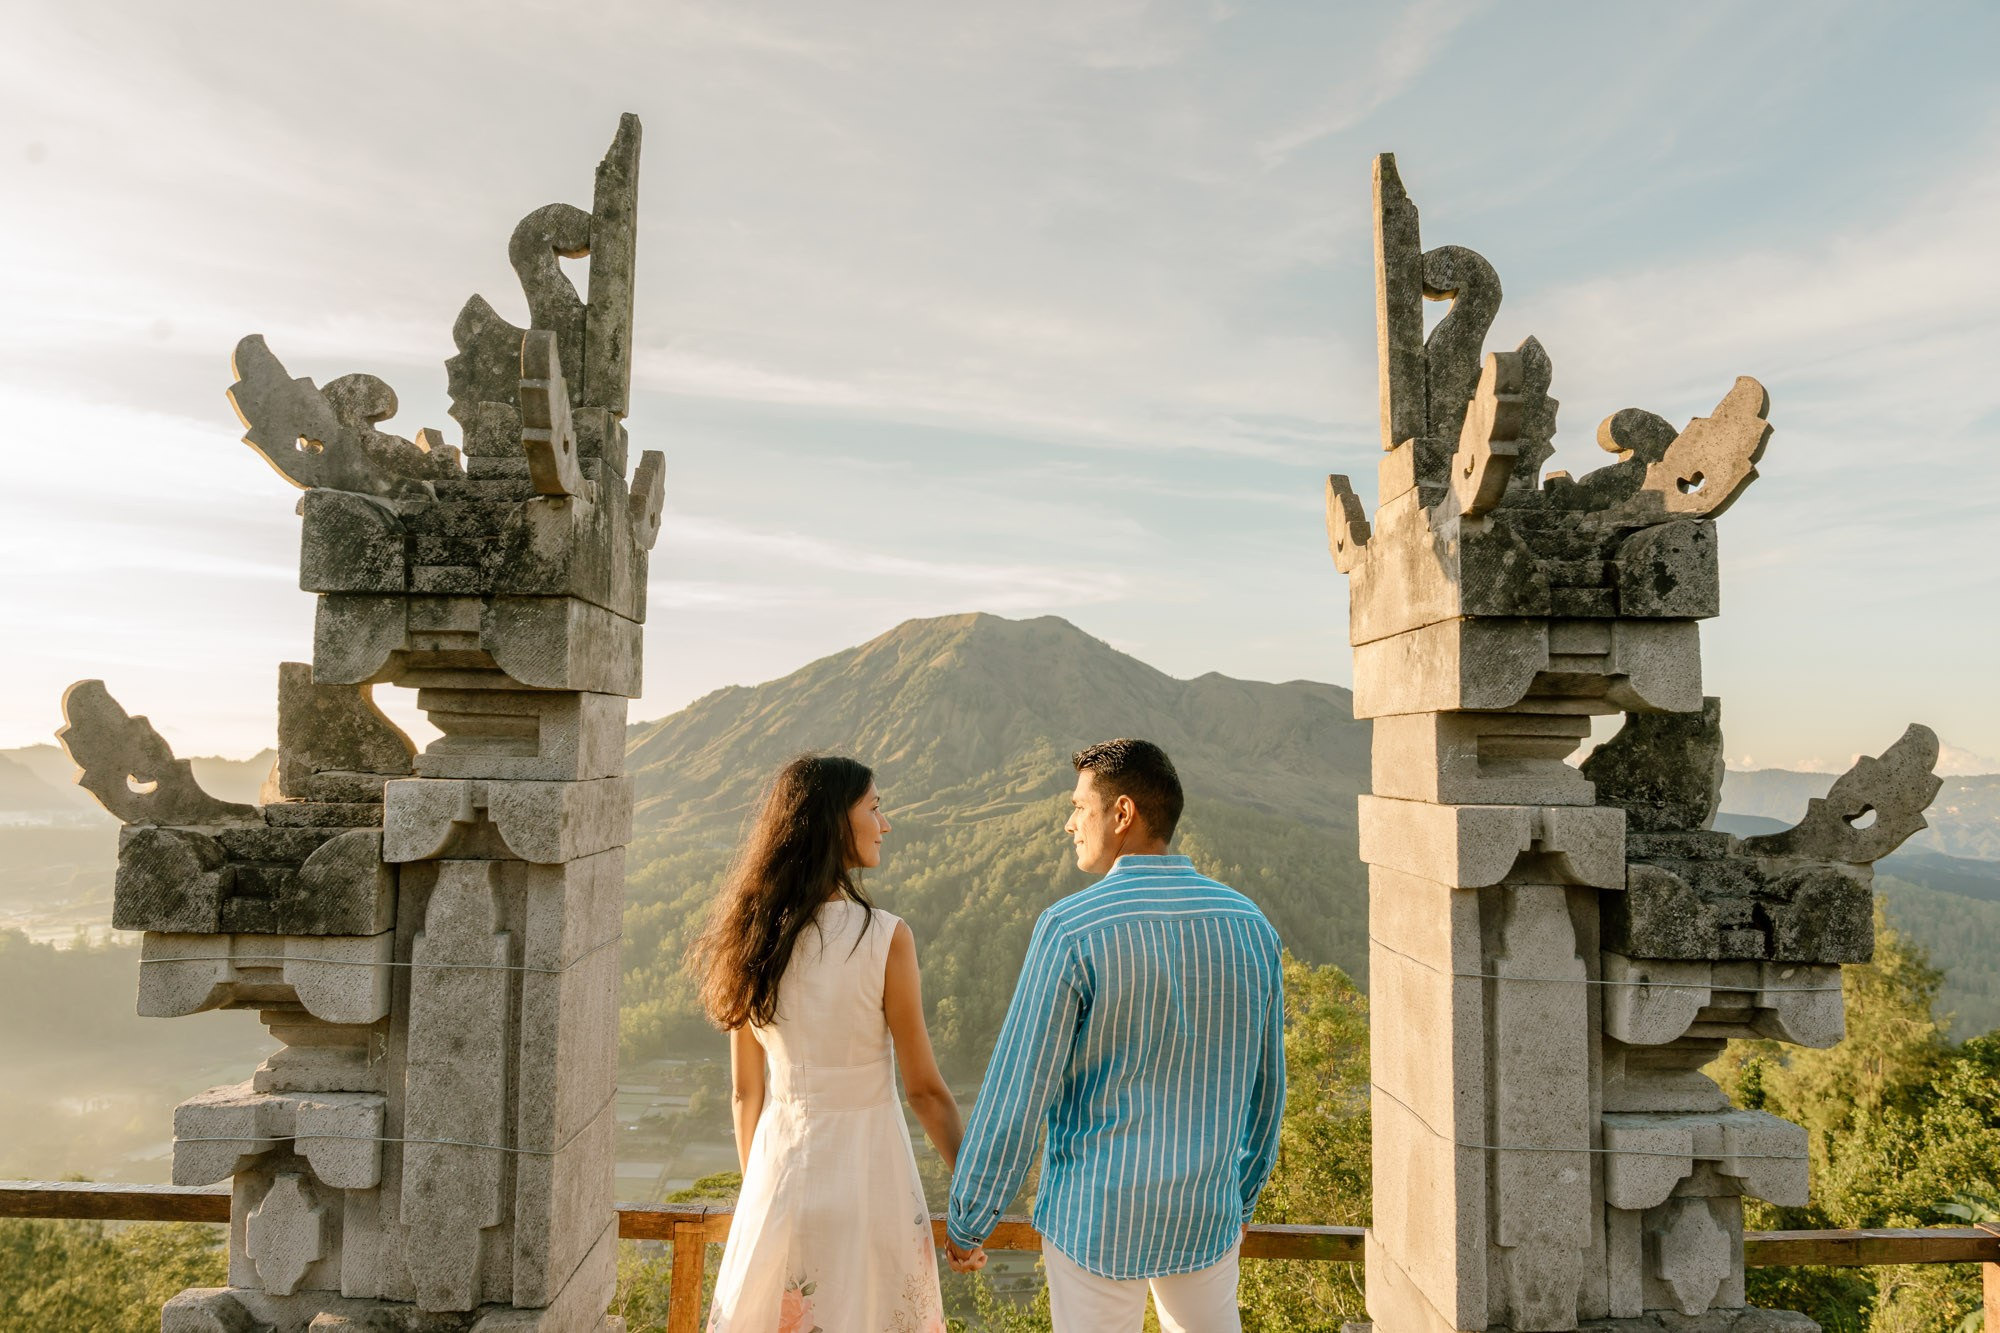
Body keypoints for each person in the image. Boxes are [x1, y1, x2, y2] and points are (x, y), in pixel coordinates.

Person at [944, 739, 1286, 1333]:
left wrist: (969, 1218)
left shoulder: (1071, 929)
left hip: (1095, 1217)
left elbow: (1018, 1092)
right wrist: (1242, 1197)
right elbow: (1266, 1090)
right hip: (1204, 1213)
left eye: (1080, 807)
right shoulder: (1249, 925)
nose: (1069, 823)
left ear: (1122, 814)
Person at [694, 754, 971, 1333]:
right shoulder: (883, 937)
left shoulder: (751, 938)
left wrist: (762, 1198)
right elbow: (924, 1092)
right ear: (835, 822)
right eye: (874, 807)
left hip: (780, 1176)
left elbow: (747, 1095)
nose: (885, 823)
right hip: (873, 1181)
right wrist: (973, 1201)